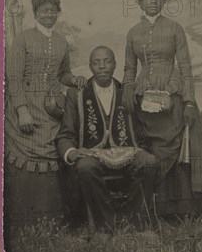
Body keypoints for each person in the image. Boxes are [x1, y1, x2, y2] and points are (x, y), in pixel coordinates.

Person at [3, 0, 87, 252]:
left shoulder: (62, 41)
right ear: (35, 11)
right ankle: (24, 223)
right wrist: (21, 110)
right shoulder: (24, 39)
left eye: (53, 9)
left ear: (58, 12)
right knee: (29, 158)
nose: (49, 14)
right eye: (43, 10)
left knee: (53, 155)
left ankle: (50, 221)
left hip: (52, 108)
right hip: (26, 105)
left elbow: (63, 74)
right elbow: (14, 77)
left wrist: (73, 79)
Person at [122, 0, 202, 214]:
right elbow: (129, 68)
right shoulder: (132, 33)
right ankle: (151, 210)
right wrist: (128, 90)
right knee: (147, 151)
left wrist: (190, 101)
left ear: (163, 1)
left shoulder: (175, 28)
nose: (152, 1)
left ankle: (177, 210)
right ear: (140, 2)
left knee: (175, 149)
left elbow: (185, 68)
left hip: (172, 95)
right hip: (143, 99)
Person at [56, 46, 157, 231]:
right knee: (85, 167)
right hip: (92, 154)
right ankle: (105, 224)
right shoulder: (76, 94)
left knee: (148, 161)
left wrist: (141, 147)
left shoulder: (127, 91)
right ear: (90, 66)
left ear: (115, 64)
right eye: (96, 62)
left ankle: (133, 220)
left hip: (126, 151)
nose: (102, 67)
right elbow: (65, 134)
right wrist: (71, 152)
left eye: (107, 61)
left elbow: (140, 130)